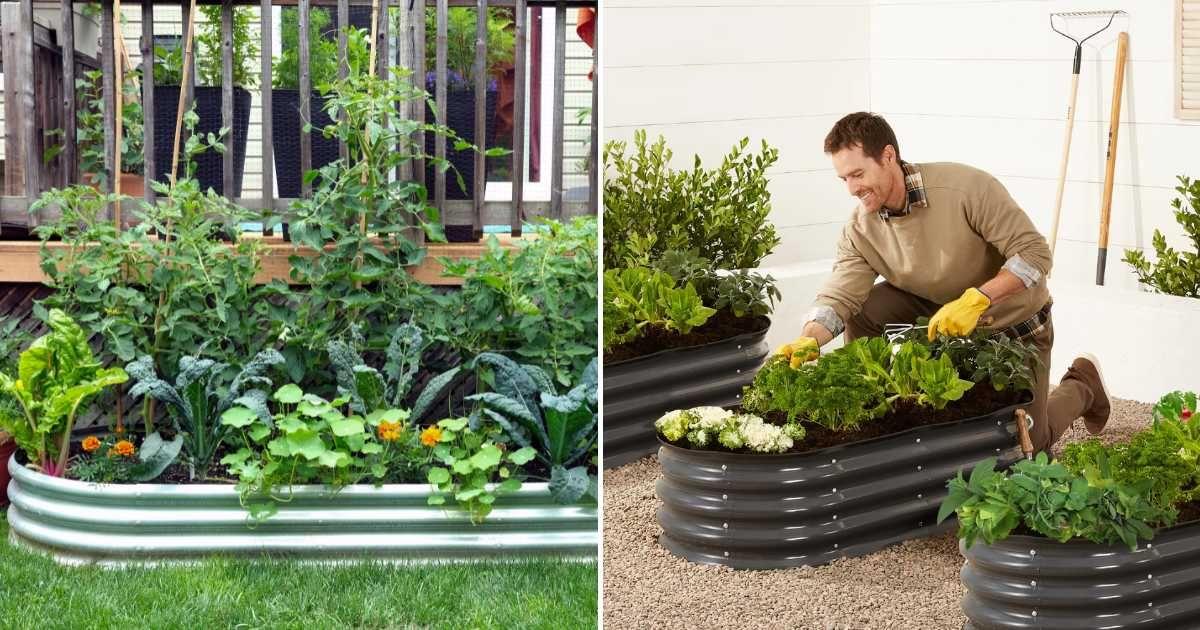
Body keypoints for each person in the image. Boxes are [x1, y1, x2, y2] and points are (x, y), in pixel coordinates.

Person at [775, 112, 1109, 453]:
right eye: (843, 178)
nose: (851, 189)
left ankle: (1083, 385)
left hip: (1013, 320)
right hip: (942, 318)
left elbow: (1035, 254)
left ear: (888, 156)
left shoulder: (965, 189)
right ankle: (876, 404)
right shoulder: (861, 228)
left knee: (1026, 446)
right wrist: (810, 338)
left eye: (858, 174)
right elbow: (841, 291)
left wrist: (979, 298)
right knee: (864, 308)